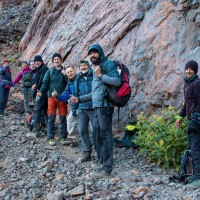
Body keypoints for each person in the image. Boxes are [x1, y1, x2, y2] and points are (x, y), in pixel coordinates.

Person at [70, 44, 121, 178]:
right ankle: (102, 162)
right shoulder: (95, 69)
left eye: (95, 52)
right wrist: (79, 99)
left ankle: (107, 169)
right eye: (90, 53)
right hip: (97, 105)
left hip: (105, 106)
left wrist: (101, 75)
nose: (92, 55)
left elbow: (117, 81)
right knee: (97, 135)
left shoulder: (108, 65)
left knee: (106, 135)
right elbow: (94, 93)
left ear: (100, 53)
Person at [175, 60, 200, 188]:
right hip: (192, 121)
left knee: (196, 149)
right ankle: (191, 174)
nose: (188, 71)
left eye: (191, 69)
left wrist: (196, 118)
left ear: (195, 71)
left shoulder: (197, 83)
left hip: (197, 121)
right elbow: (187, 103)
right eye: (187, 69)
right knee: (191, 148)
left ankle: (199, 178)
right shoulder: (187, 84)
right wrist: (180, 117)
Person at [37, 53, 68, 146]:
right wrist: (41, 91)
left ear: (61, 60)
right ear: (53, 61)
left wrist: (65, 75)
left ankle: (63, 137)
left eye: (58, 59)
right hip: (51, 98)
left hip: (62, 97)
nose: (56, 61)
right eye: (55, 59)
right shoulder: (49, 72)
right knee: (51, 118)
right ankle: (50, 137)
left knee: (63, 118)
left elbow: (69, 83)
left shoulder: (64, 71)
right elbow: (45, 83)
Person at [74, 60, 97, 163]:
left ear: (88, 66)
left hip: (93, 107)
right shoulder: (78, 78)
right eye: (81, 66)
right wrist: (74, 108)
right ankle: (86, 152)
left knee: (96, 130)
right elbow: (75, 94)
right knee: (82, 129)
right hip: (82, 108)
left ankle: (99, 151)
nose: (82, 67)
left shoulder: (94, 75)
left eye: (84, 65)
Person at [27, 55, 48, 137]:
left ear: (41, 61)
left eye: (38, 61)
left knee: (37, 110)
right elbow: (37, 81)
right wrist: (35, 85)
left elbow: (42, 81)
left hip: (42, 93)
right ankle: (48, 129)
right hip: (41, 93)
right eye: (35, 62)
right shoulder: (39, 69)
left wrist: (35, 89)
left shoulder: (44, 69)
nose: (36, 63)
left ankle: (35, 131)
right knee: (44, 111)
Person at [55, 65, 79, 138]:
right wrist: (57, 95)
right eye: (68, 73)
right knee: (70, 120)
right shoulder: (69, 82)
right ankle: (73, 138)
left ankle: (97, 141)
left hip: (85, 105)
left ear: (75, 71)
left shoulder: (80, 79)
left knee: (90, 125)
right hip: (75, 106)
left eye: (71, 71)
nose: (69, 74)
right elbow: (66, 95)